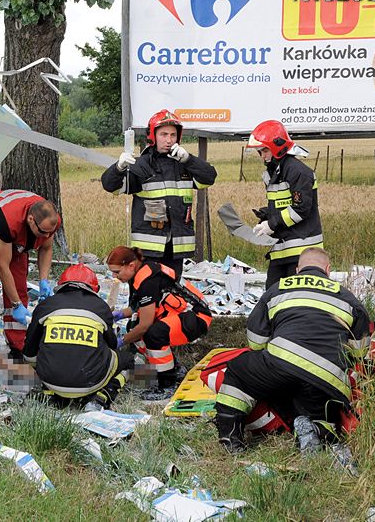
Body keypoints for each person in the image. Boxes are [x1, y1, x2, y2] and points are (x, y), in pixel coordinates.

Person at [214, 247, 370, 453]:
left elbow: (256, 341)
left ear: (297, 270)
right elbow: (359, 351)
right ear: (328, 270)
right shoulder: (347, 297)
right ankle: (318, 428)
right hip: (328, 378)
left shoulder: (278, 289)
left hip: (281, 364)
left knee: (238, 372)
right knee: (315, 404)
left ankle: (230, 439)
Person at [101, 110, 217, 281]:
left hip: (176, 247)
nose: (169, 140)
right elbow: (110, 185)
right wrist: (118, 168)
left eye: (173, 135)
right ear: (153, 136)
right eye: (163, 134)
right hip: (146, 251)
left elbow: (209, 177)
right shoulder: (141, 166)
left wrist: (189, 160)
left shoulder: (184, 165)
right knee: (145, 296)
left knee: (171, 297)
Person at [106, 246, 213, 402]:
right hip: (183, 314)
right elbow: (140, 307)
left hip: (197, 317)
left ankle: (167, 385)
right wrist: (120, 314)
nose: (115, 276)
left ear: (130, 265)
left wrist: (121, 341)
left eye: (117, 272)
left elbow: (145, 325)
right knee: (134, 328)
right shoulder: (139, 272)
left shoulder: (147, 279)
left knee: (152, 334)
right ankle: (174, 370)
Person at [23, 264, 135, 412]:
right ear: (94, 288)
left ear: (60, 285)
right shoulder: (101, 307)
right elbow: (112, 345)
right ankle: (101, 398)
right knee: (127, 360)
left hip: (51, 381)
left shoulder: (46, 305)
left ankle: (50, 394)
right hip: (91, 383)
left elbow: (28, 352)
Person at [0, 190, 61, 357]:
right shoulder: (8, 221)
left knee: (19, 288)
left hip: (16, 238)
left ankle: (18, 345)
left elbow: (46, 248)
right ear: (31, 220)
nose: (47, 236)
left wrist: (44, 280)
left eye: (51, 232)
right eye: (43, 232)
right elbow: (3, 267)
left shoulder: (49, 221)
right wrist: (16, 305)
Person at [245, 120, 323, 287]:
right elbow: (283, 203)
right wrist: (267, 215)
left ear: (277, 147)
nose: (262, 156)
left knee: (294, 301)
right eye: (260, 152)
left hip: (302, 252)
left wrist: (272, 224)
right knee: (272, 297)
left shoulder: (297, 171)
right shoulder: (274, 171)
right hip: (282, 250)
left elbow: (300, 209)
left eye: (265, 150)